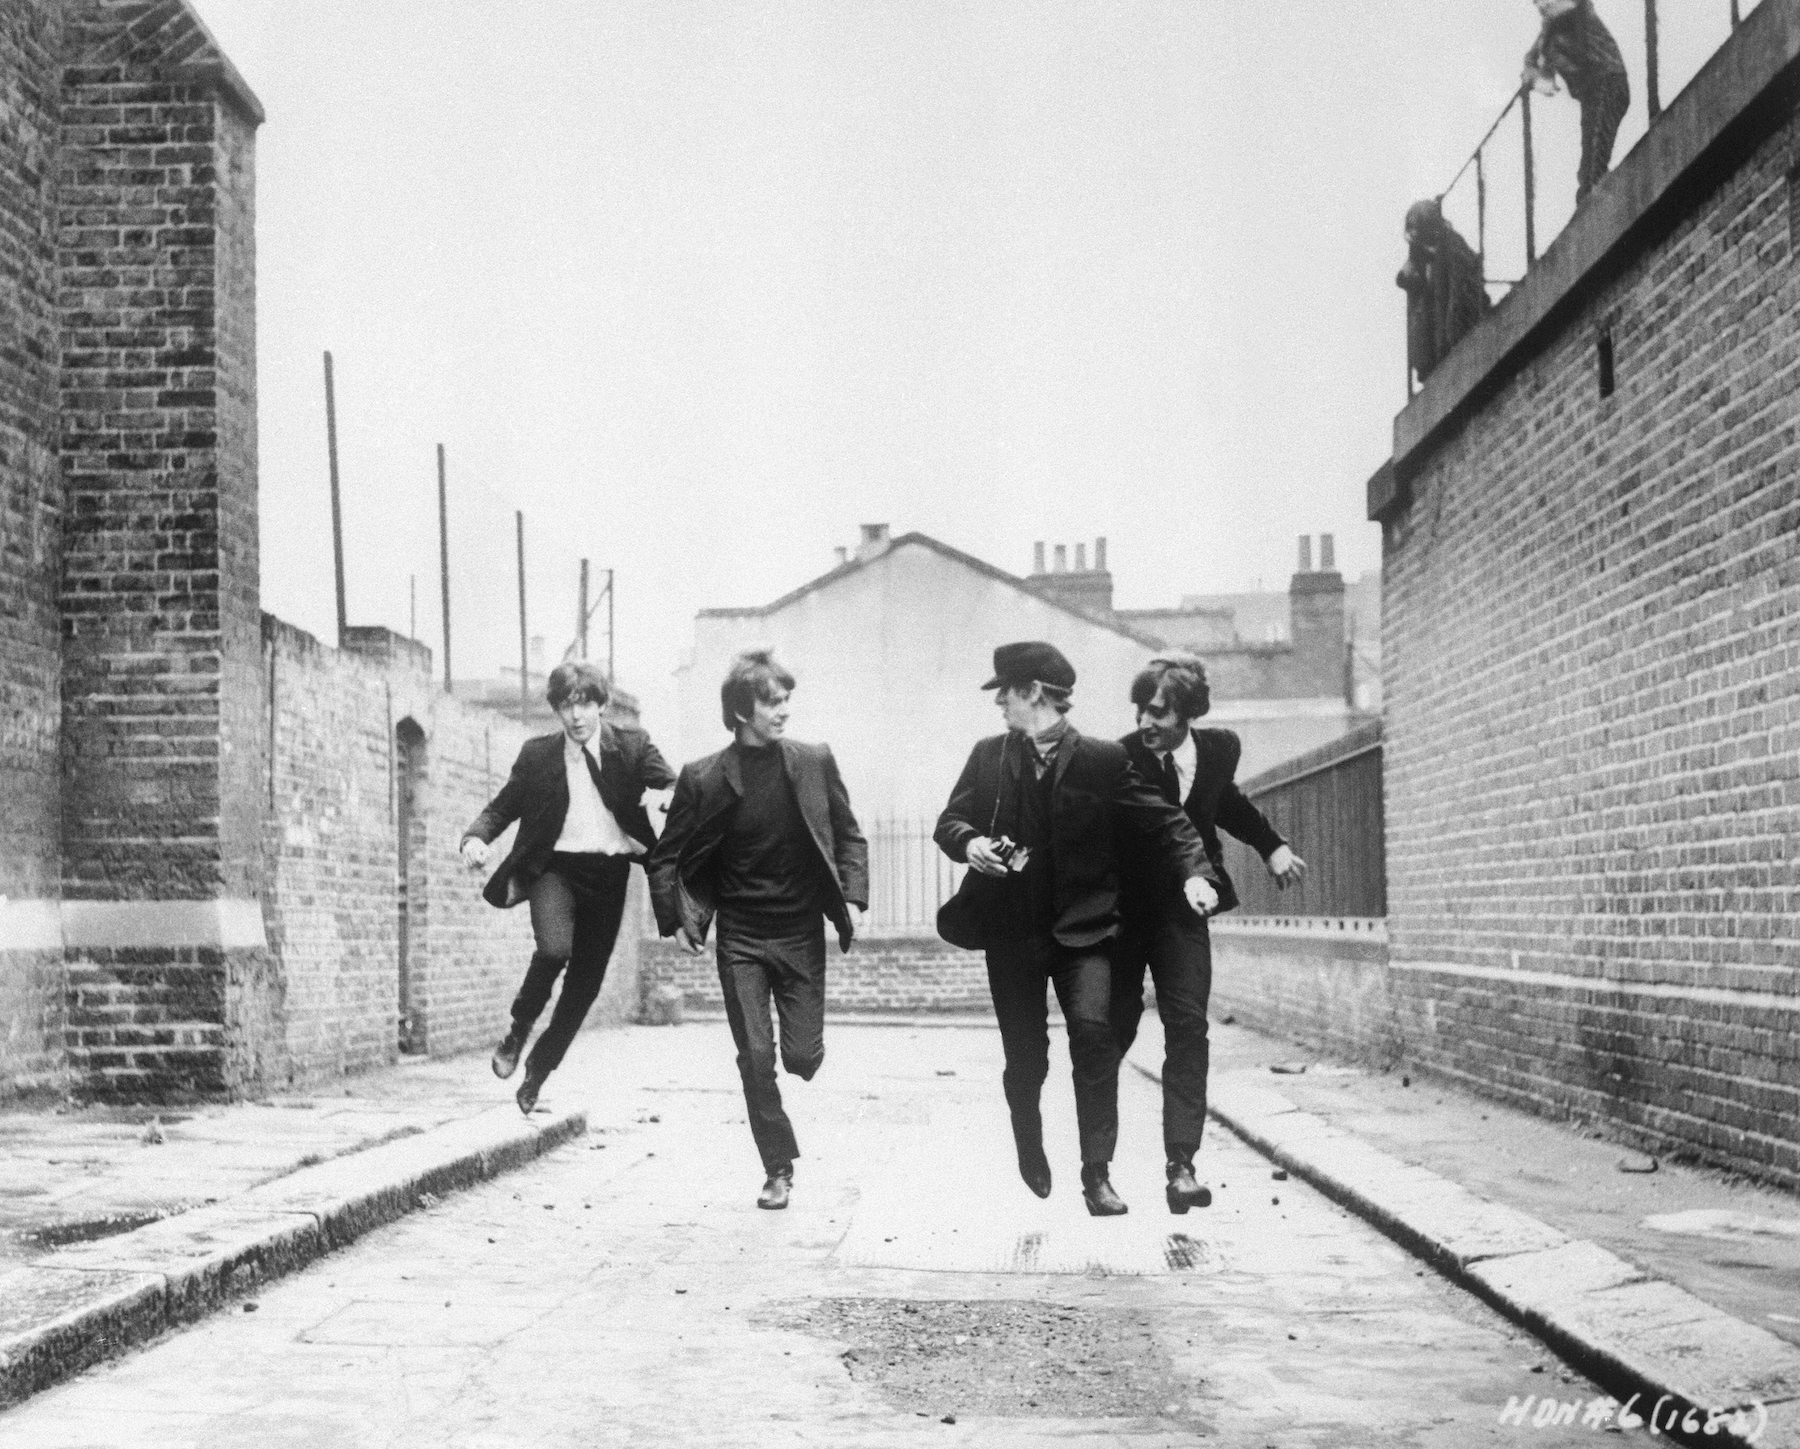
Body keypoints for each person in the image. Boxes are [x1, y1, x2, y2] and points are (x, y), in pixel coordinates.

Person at [934, 642, 1217, 1217]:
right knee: (1026, 1056)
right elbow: (950, 821)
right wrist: (972, 844)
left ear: (1033, 693)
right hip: (1011, 934)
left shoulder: (1103, 758)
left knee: (1094, 1036)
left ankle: (1097, 1174)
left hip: (1084, 933)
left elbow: (1168, 822)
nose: (1000, 705)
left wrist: (1196, 874)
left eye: (1006, 693)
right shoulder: (989, 756)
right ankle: (1029, 1138)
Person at [647, 648, 868, 1210]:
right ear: (742, 711)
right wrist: (675, 918)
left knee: (801, 1058)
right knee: (755, 1056)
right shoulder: (703, 777)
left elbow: (849, 835)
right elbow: (665, 856)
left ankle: (803, 1060)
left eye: (787, 699)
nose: (784, 711)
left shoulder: (814, 760)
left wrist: (855, 897)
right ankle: (778, 1168)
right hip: (741, 936)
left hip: (799, 932)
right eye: (773, 702)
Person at [1113, 653, 1305, 1213]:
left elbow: (1227, 803)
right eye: (1140, 711)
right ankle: (1098, 1164)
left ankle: (1182, 1166)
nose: (1145, 723)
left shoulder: (1219, 749)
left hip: (1185, 914)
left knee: (1189, 1029)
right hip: (1127, 914)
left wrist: (1271, 846)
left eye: (1157, 713)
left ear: (1189, 714)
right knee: (1111, 1032)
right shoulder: (1120, 759)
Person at [461, 661, 676, 1115]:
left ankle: (540, 1068)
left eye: (585, 704)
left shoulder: (632, 747)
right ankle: (518, 1030)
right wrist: (476, 838)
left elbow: (672, 785)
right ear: (557, 709)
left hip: (610, 872)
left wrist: (667, 795)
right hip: (554, 869)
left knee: (585, 985)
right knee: (554, 949)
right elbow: (503, 807)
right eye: (566, 705)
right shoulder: (538, 755)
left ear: (602, 704)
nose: (577, 716)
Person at [1523, 0, 1630, 203]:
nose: (1541, 7)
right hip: (1591, 94)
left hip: (1609, 82)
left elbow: (1567, 10)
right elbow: (1533, 57)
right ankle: (1587, 207)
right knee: (1586, 173)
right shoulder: (1550, 35)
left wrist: (1537, 66)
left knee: (1595, 165)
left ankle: (1594, 205)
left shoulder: (1576, 9)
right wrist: (1533, 67)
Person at [1396, 198, 1489, 388]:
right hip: (1434, 333)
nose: (1414, 236)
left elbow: (1464, 283)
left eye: (1417, 229)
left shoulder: (1452, 244)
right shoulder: (1420, 257)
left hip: (1455, 324)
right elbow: (1403, 278)